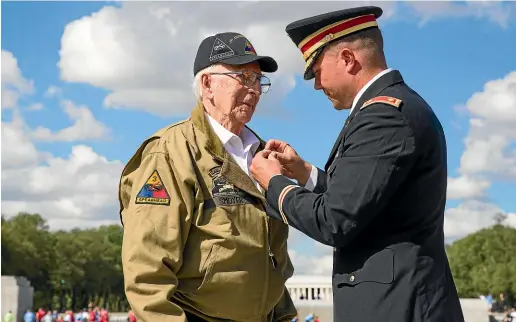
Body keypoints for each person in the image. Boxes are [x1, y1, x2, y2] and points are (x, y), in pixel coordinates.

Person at [250, 5, 465, 322]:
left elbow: (334, 221)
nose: (317, 85)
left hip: (397, 307)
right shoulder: (395, 107)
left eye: (317, 70)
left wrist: (274, 183)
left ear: (348, 59)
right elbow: (364, 200)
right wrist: (305, 173)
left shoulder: (383, 116)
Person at [119, 31, 297, 322]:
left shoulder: (263, 157)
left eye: (258, 80)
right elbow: (146, 272)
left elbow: (271, 258)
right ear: (207, 84)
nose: (254, 90)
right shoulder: (171, 152)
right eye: (243, 78)